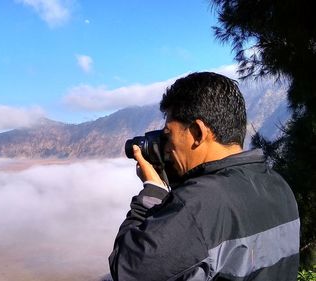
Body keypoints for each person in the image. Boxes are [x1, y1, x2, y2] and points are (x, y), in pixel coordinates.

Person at [108, 72, 300, 280]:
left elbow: (126, 268)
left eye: (168, 135)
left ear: (198, 132)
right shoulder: (279, 184)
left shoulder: (197, 204)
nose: (167, 148)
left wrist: (153, 191)